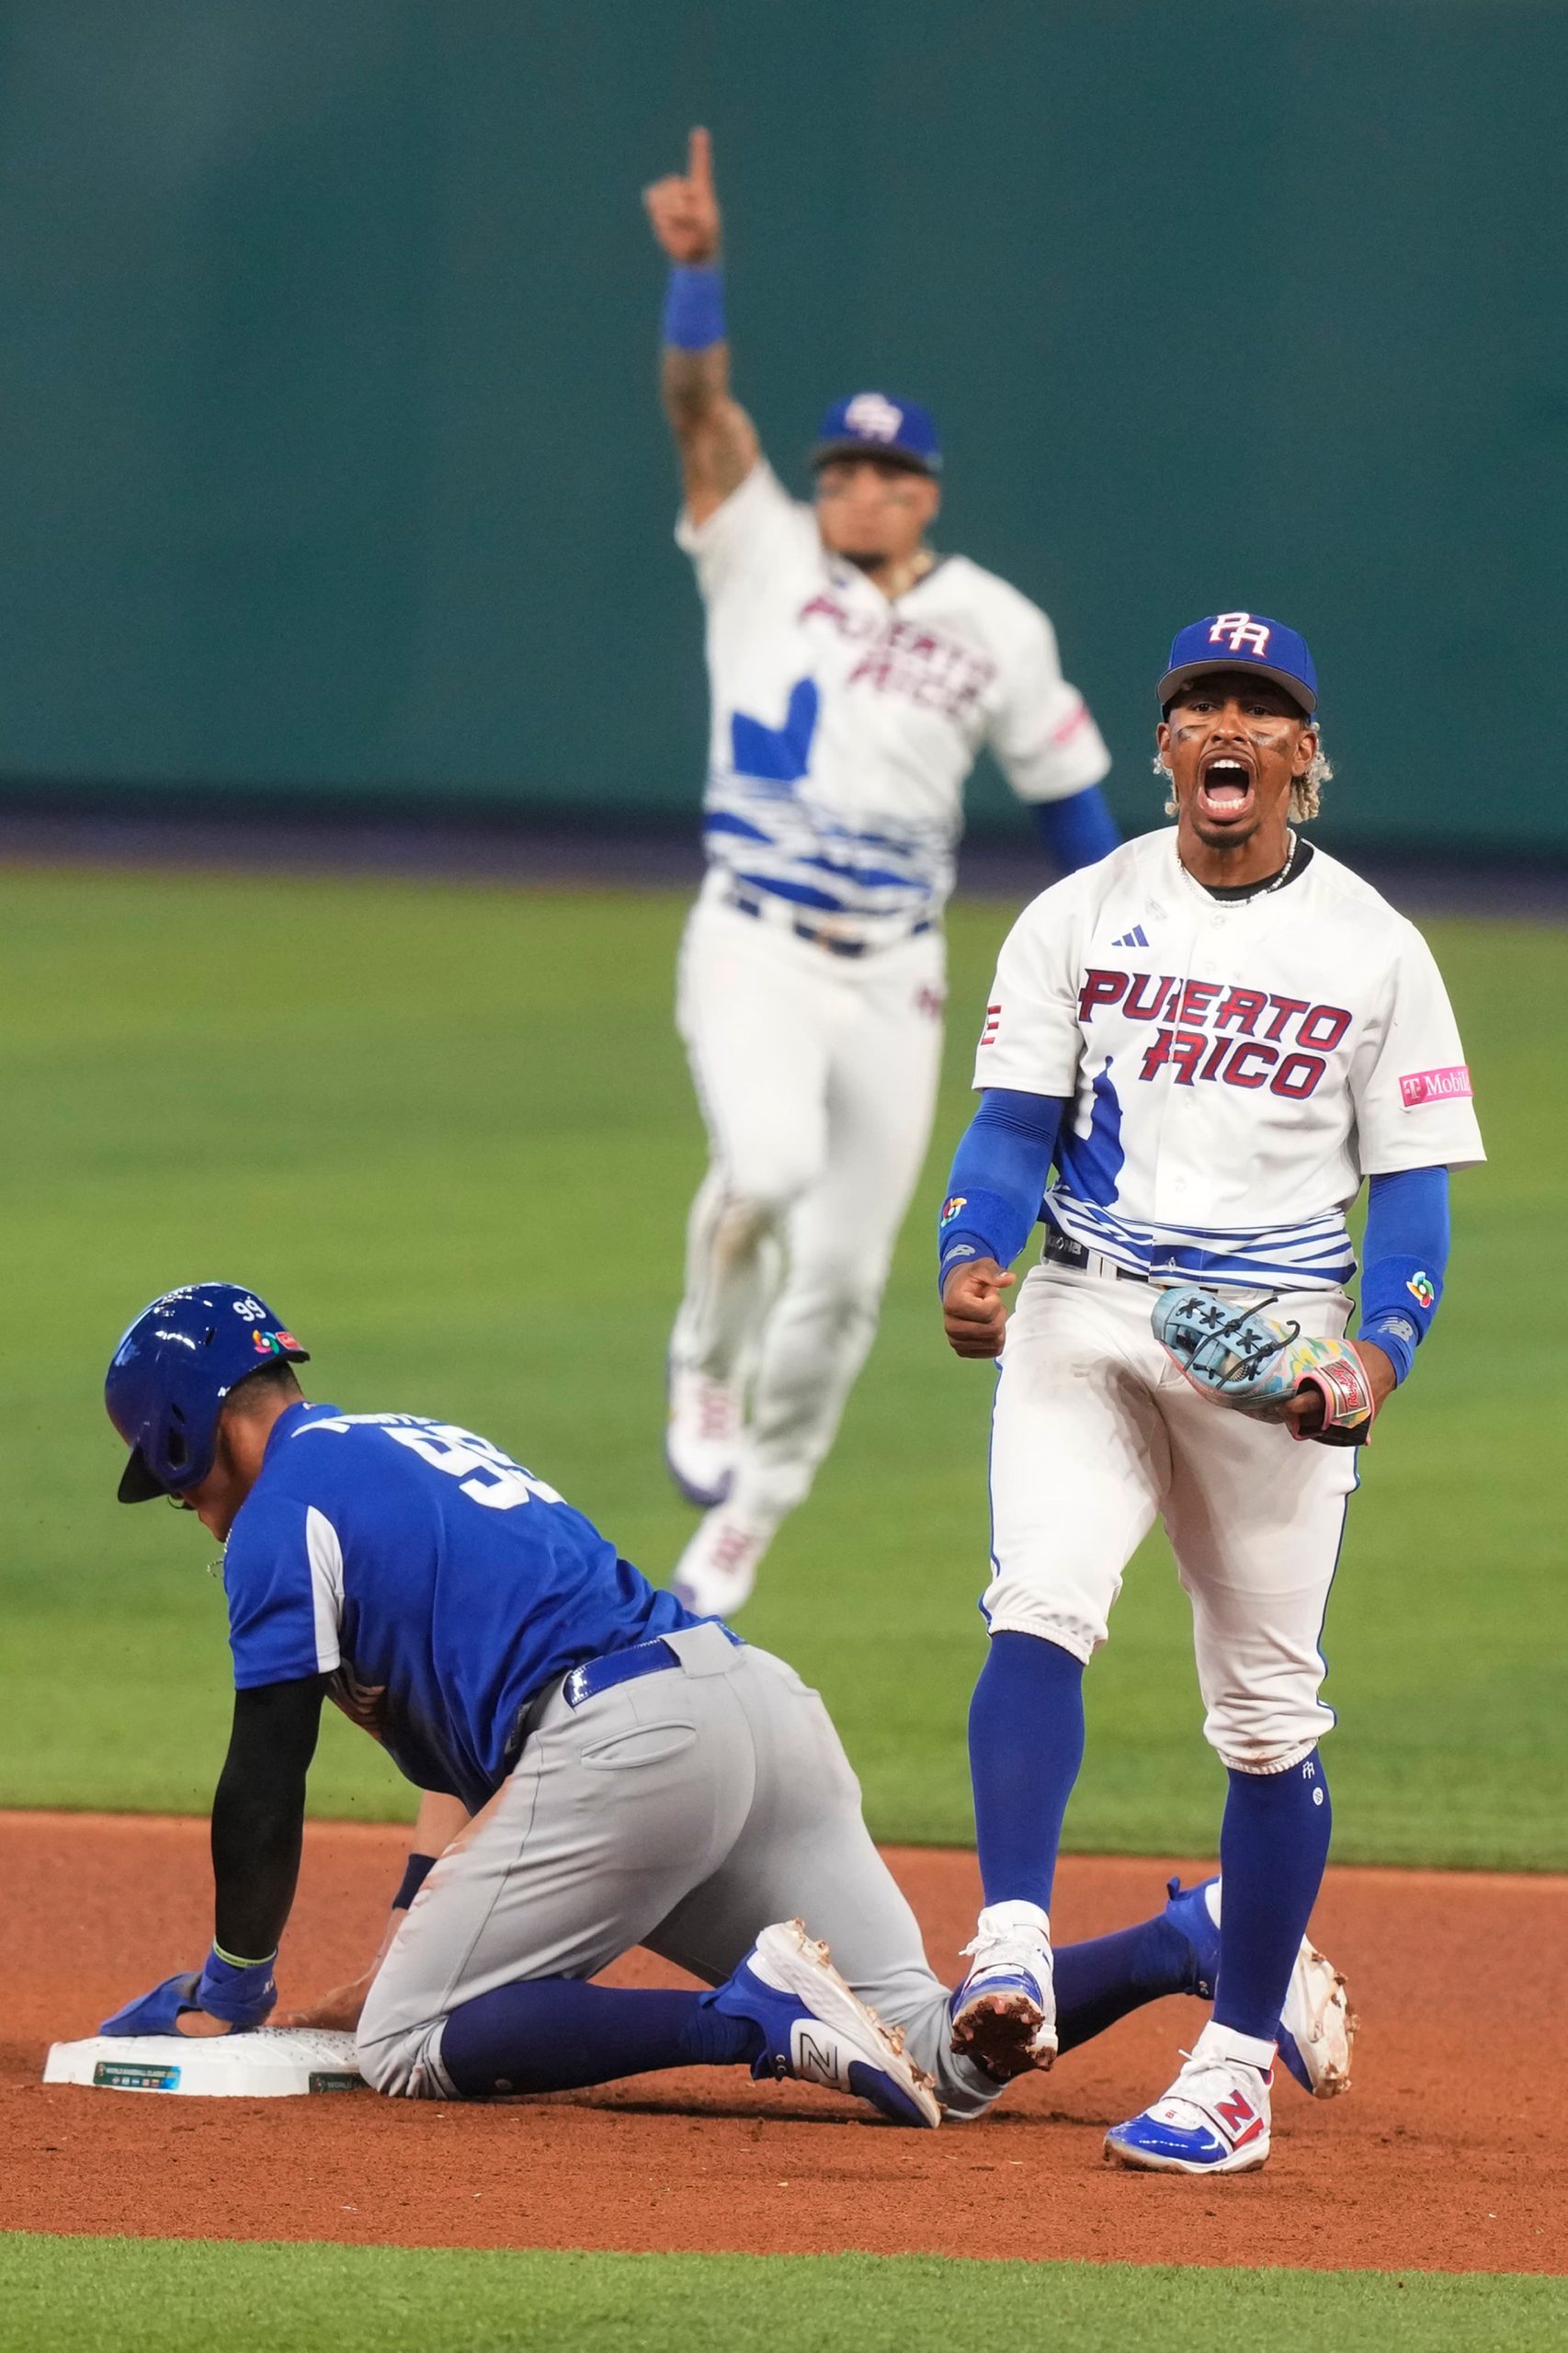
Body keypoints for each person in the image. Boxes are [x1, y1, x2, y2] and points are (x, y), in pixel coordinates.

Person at [95, 1281, 1351, 2135]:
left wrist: (240, 1981)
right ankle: (1195, 1941)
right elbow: (476, 1779)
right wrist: (410, 1940)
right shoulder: (391, 1449)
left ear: (178, 1439)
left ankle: (747, 2016)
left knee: (411, 2042)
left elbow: (266, 1771)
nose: (183, 1509)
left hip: (628, 1749)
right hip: (747, 1710)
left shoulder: (275, 1520)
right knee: (940, 2055)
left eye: (170, 1482)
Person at [935, 613, 1483, 2173]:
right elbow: (1007, 1127)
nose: (1226, 729)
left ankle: (1234, 2064)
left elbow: (1417, 1203)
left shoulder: (1376, 946)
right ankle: (1013, 1944)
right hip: (1084, 1313)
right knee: (1037, 1600)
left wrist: (1378, 1352)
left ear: (1303, 757)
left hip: (1276, 1348)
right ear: (1163, 745)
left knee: (1262, 1717)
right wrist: (975, 1250)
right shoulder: (1075, 913)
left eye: (1259, 709)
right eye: (1198, 705)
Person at [643, 130, 1120, 1616]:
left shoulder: (997, 624)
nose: (851, 487)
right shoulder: (755, 548)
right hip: (756, 938)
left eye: (879, 470)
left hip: (895, 967)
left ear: (923, 493)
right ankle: (701, 1362)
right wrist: (697, 278)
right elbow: (698, 409)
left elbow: (1069, 803)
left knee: (849, 1282)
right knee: (767, 1171)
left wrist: (1123, 951)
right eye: (838, 465)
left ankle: (750, 1521)